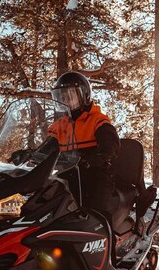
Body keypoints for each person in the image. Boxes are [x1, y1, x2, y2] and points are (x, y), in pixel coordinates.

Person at [47, 71, 120, 217]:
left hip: (94, 174)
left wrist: (104, 154)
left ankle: (104, 236)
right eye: (62, 96)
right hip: (67, 176)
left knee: (95, 212)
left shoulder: (97, 120)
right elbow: (48, 148)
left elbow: (109, 140)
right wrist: (29, 154)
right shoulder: (59, 126)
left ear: (83, 95)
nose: (65, 100)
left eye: (70, 95)